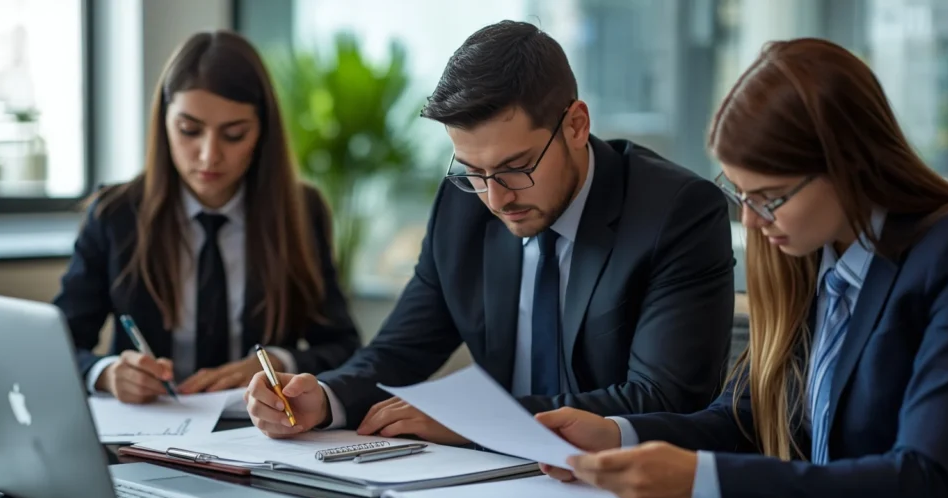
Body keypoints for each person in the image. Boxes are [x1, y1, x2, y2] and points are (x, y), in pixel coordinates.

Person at [536, 38, 948, 498]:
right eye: (740, 195)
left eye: (770, 197)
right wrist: (616, 435)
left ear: (847, 163)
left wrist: (704, 482)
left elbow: (922, 482)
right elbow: (742, 421)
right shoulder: (810, 256)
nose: (754, 222)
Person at [244, 20, 734, 443]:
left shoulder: (677, 213)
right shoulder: (465, 208)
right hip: (489, 494)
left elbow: (662, 398)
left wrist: (478, 422)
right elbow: (399, 350)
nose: (496, 199)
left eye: (516, 167)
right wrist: (324, 399)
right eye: (473, 171)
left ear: (577, 126)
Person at [54, 31, 361, 404]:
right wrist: (105, 374)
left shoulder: (301, 210)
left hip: (259, 434)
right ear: (164, 122)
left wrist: (276, 362)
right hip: (148, 429)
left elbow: (342, 346)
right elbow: (59, 343)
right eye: (189, 131)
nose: (208, 156)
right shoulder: (115, 213)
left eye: (233, 135)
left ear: (262, 132)